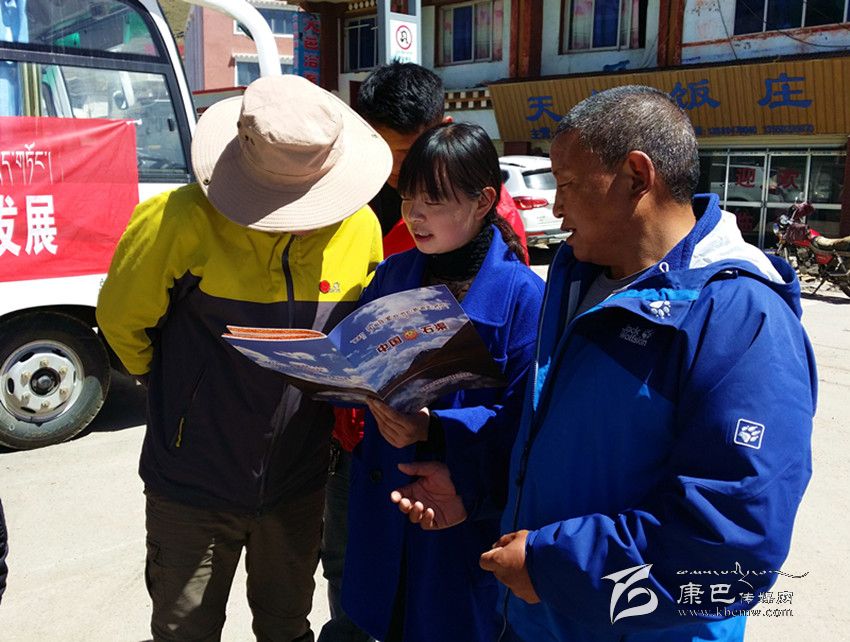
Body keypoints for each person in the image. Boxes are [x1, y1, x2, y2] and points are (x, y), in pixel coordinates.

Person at [393, 86, 816, 641]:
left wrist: (553, 565)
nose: (556, 207)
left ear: (637, 177)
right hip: (536, 620)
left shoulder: (740, 317)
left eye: (566, 183)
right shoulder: (579, 279)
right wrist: (470, 482)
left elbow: (733, 540)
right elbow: (545, 432)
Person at [95, 74, 391, 642]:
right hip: (191, 483)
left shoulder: (361, 226)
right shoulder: (175, 218)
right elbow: (121, 320)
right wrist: (174, 388)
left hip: (299, 480)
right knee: (185, 630)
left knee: (288, 626)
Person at [319, 61, 529, 642]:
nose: (413, 215)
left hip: (458, 508)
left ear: (484, 201)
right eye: (408, 197)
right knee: (371, 614)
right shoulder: (392, 273)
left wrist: (435, 428)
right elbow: (362, 365)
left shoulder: (523, 297)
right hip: (383, 490)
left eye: (432, 201)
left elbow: (524, 420)